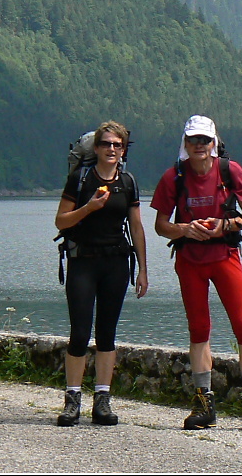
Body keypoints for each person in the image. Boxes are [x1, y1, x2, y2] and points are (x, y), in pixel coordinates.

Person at [150, 114, 242, 433]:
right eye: (193, 140)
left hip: (225, 256)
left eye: (205, 140)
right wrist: (185, 229)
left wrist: (226, 225)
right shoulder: (172, 178)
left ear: (214, 142)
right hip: (190, 259)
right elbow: (161, 225)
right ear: (185, 144)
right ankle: (204, 404)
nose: (199, 146)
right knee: (199, 329)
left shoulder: (230, 171)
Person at [53, 121, 148, 427]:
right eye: (106, 144)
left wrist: (143, 269)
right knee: (80, 334)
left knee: (107, 334)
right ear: (96, 148)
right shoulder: (80, 179)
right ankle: (72, 402)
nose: (111, 149)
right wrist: (89, 208)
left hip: (116, 263)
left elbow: (136, 226)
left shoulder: (128, 182)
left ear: (123, 150)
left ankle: (102, 402)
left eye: (117, 145)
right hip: (83, 260)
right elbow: (61, 222)